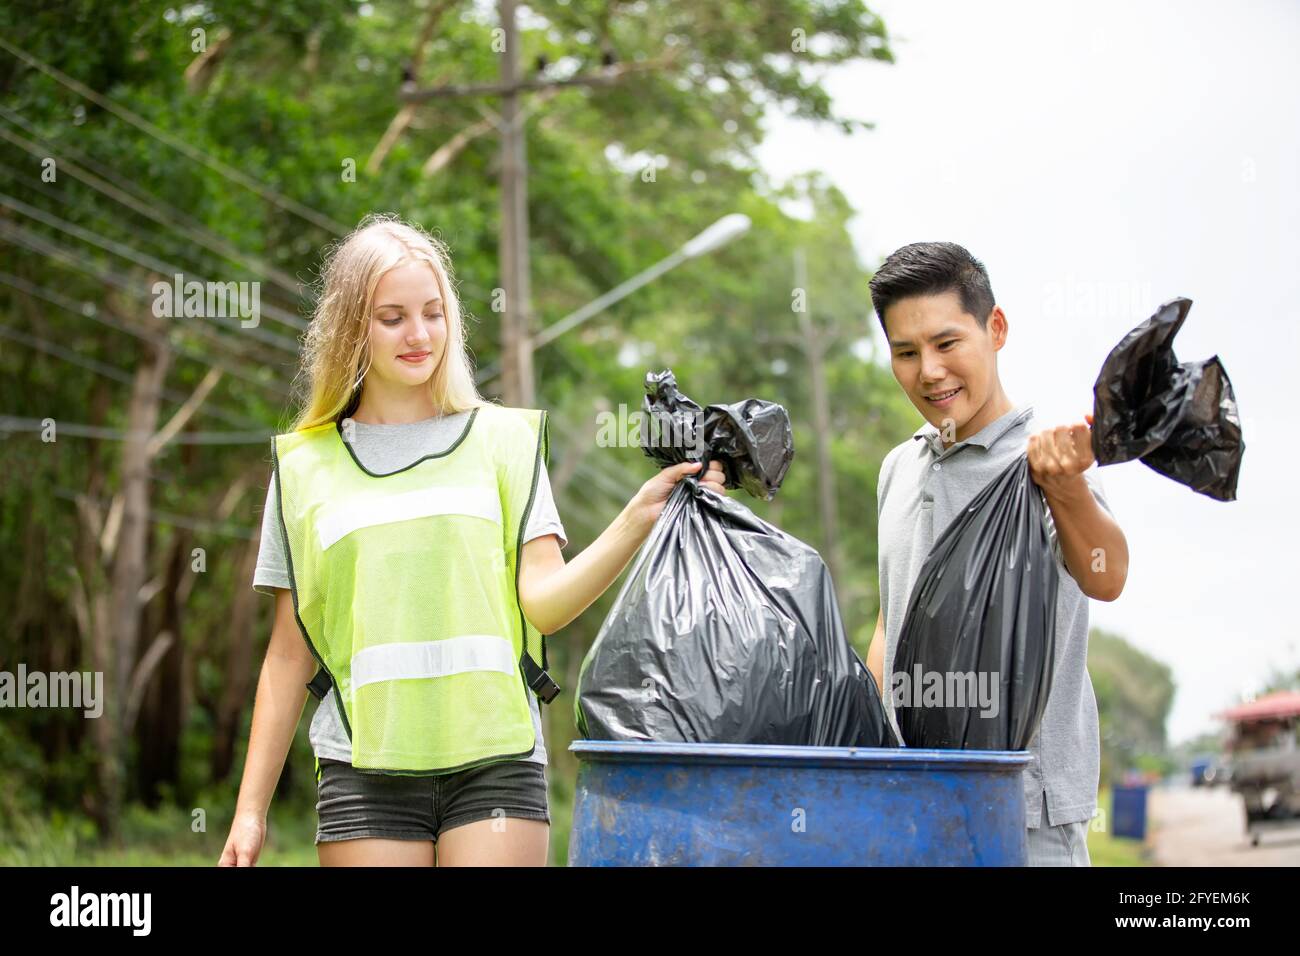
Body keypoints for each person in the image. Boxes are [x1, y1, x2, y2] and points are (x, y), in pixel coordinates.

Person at [218, 214, 725, 867]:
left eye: (433, 312)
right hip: (363, 768)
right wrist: (250, 810)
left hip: (498, 763)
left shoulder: (504, 443)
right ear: (351, 326)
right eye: (391, 316)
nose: (419, 333)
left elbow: (543, 602)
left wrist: (635, 519)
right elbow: (290, 655)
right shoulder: (303, 468)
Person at [863, 241, 1129, 867]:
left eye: (947, 343)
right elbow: (890, 621)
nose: (929, 371)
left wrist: (1064, 488)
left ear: (996, 329)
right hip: (914, 809)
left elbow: (1109, 576)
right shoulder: (897, 469)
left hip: (1023, 816)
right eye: (906, 353)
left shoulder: (1042, 463)